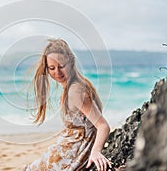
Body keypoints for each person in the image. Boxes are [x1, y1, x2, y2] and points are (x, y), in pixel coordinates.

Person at [23, 39, 112, 171]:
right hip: (68, 148)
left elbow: (103, 126)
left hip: (74, 153)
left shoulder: (76, 91)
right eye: (52, 68)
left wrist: (96, 152)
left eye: (61, 66)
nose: (57, 72)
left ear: (71, 62)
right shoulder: (74, 86)